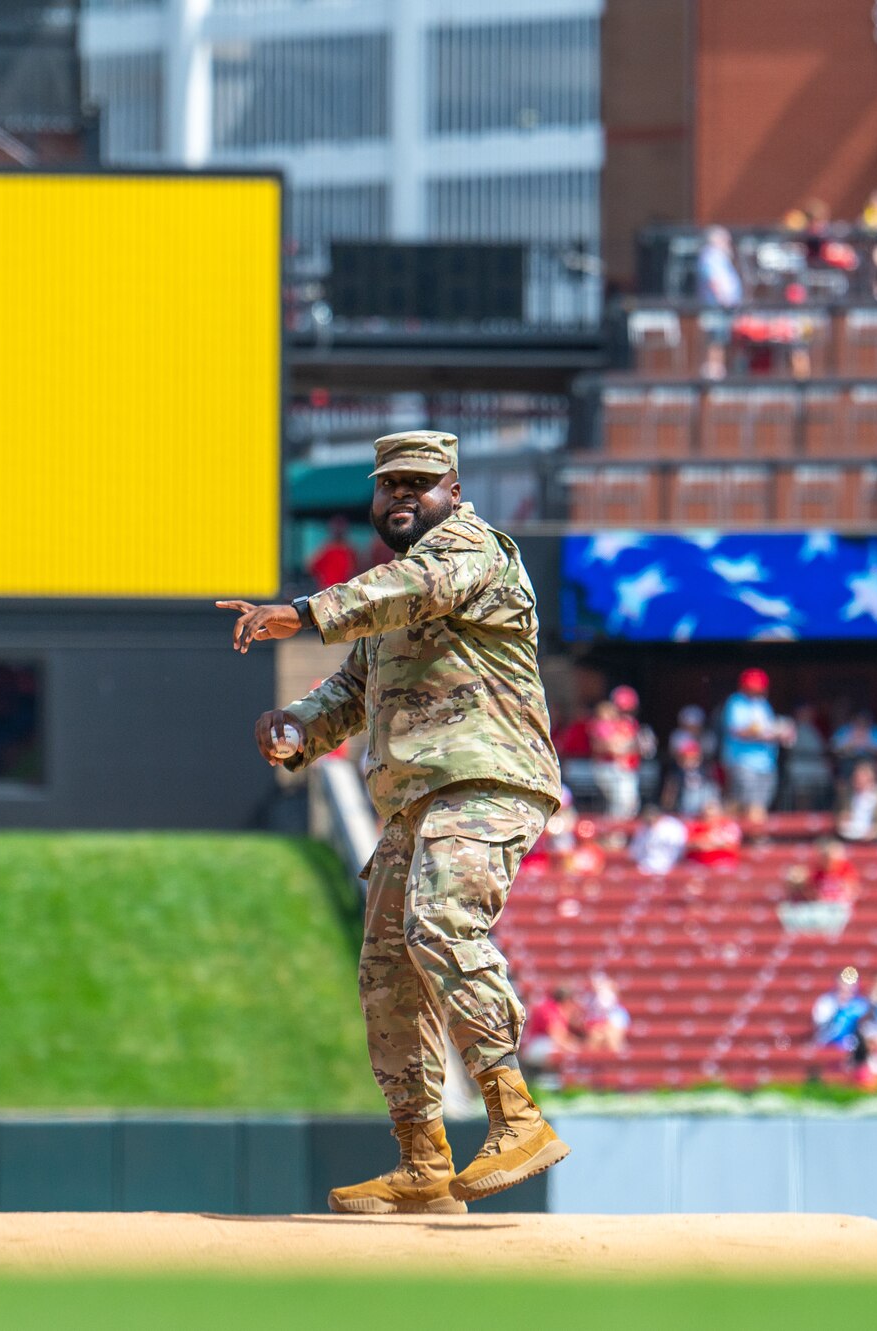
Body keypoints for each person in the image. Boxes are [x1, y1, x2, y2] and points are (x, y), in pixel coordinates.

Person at [224, 428, 568, 1213]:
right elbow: (350, 687)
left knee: (441, 921)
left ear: (453, 488)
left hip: (488, 778)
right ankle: (422, 1158)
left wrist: (303, 611)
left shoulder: (474, 552)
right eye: (390, 486)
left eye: (421, 482)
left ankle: (516, 1113)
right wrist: (297, 727)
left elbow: (409, 594)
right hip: (417, 799)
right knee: (386, 968)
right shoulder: (389, 589)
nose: (404, 496)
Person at [720, 668, 785, 835]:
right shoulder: (736, 702)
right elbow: (738, 730)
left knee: (759, 804)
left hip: (766, 763)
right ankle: (752, 838)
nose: (756, 690)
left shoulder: (763, 705)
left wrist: (780, 732)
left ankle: (747, 836)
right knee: (747, 803)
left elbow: (770, 729)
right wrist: (763, 733)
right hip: (742, 762)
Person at [588, 688, 645, 820]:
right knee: (621, 803)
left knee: (630, 805)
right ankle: (613, 833)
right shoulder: (604, 722)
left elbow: (639, 747)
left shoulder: (631, 723)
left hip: (628, 769)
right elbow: (608, 747)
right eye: (622, 709)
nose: (626, 712)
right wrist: (624, 746)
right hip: (609, 768)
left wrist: (627, 747)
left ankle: (618, 833)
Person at [697, 226, 744, 377]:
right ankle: (714, 371)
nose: (728, 243)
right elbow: (714, 280)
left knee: (723, 338)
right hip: (715, 306)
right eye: (725, 240)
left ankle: (723, 369)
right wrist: (722, 298)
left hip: (726, 306)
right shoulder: (710, 256)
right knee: (715, 339)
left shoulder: (721, 257)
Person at [519, 986, 581, 1086]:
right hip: (534, 1046)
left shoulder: (557, 1010)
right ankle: (548, 1082)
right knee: (557, 1048)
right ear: (566, 1001)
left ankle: (553, 1081)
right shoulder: (548, 1009)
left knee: (565, 1048)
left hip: (541, 1044)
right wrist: (576, 1050)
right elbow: (555, 1036)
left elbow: (563, 1035)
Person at [836, 760, 877, 843]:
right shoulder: (847, 795)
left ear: (870, 778)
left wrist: (875, 832)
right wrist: (842, 819)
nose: (855, 780)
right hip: (850, 837)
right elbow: (839, 814)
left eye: (859, 777)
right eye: (855, 777)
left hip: (875, 841)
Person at [581, 973, 630, 1055]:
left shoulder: (618, 1011)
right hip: (596, 1029)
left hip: (610, 1027)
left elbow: (616, 1030)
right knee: (596, 1038)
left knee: (611, 1037)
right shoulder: (588, 1002)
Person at [630, 808, 688, 876]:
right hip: (645, 866)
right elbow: (636, 850)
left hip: (668, 865)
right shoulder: (643, 829)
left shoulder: (672, 827)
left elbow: (678, 848)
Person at [307, 515, 359, 591]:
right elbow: (310, 567)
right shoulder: (325, 550)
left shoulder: (350, 551)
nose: (338, 530)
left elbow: (355, 571)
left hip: (345, 591)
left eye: (341, 526)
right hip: (328, 591)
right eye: (336, 527)